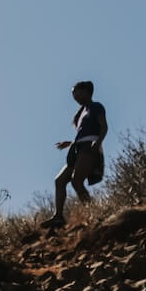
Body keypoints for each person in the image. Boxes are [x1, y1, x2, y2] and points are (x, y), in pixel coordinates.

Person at [41, 81, 107, 228]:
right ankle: (58, 217)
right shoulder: (80, 113)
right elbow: (83, 133)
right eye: (73, 93)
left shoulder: (96, 107)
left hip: (89, 148)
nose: (74, 96)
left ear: (86, 91)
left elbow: (104, 127)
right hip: (77, 148)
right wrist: (70, 143)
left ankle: (95, 214)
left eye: (76, 92)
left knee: (76, 181)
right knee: (60, 180)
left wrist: (98, 142)